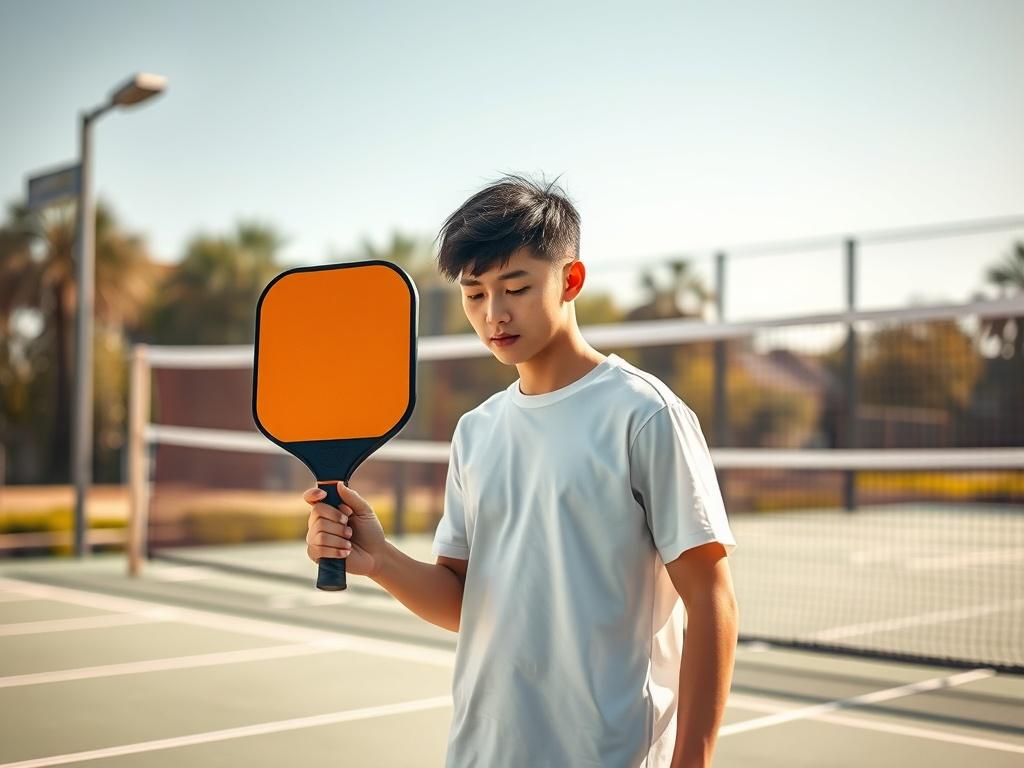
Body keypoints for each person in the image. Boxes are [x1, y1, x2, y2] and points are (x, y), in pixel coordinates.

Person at [303, 174, 739, 767]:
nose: (494, 314)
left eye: (516, 287)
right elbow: (465, 603)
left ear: (571, 281)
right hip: (483, 753)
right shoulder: (476, 431)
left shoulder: (644, 415)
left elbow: (711, 599)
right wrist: (379, 559)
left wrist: (692, 762)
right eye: (475, 293)